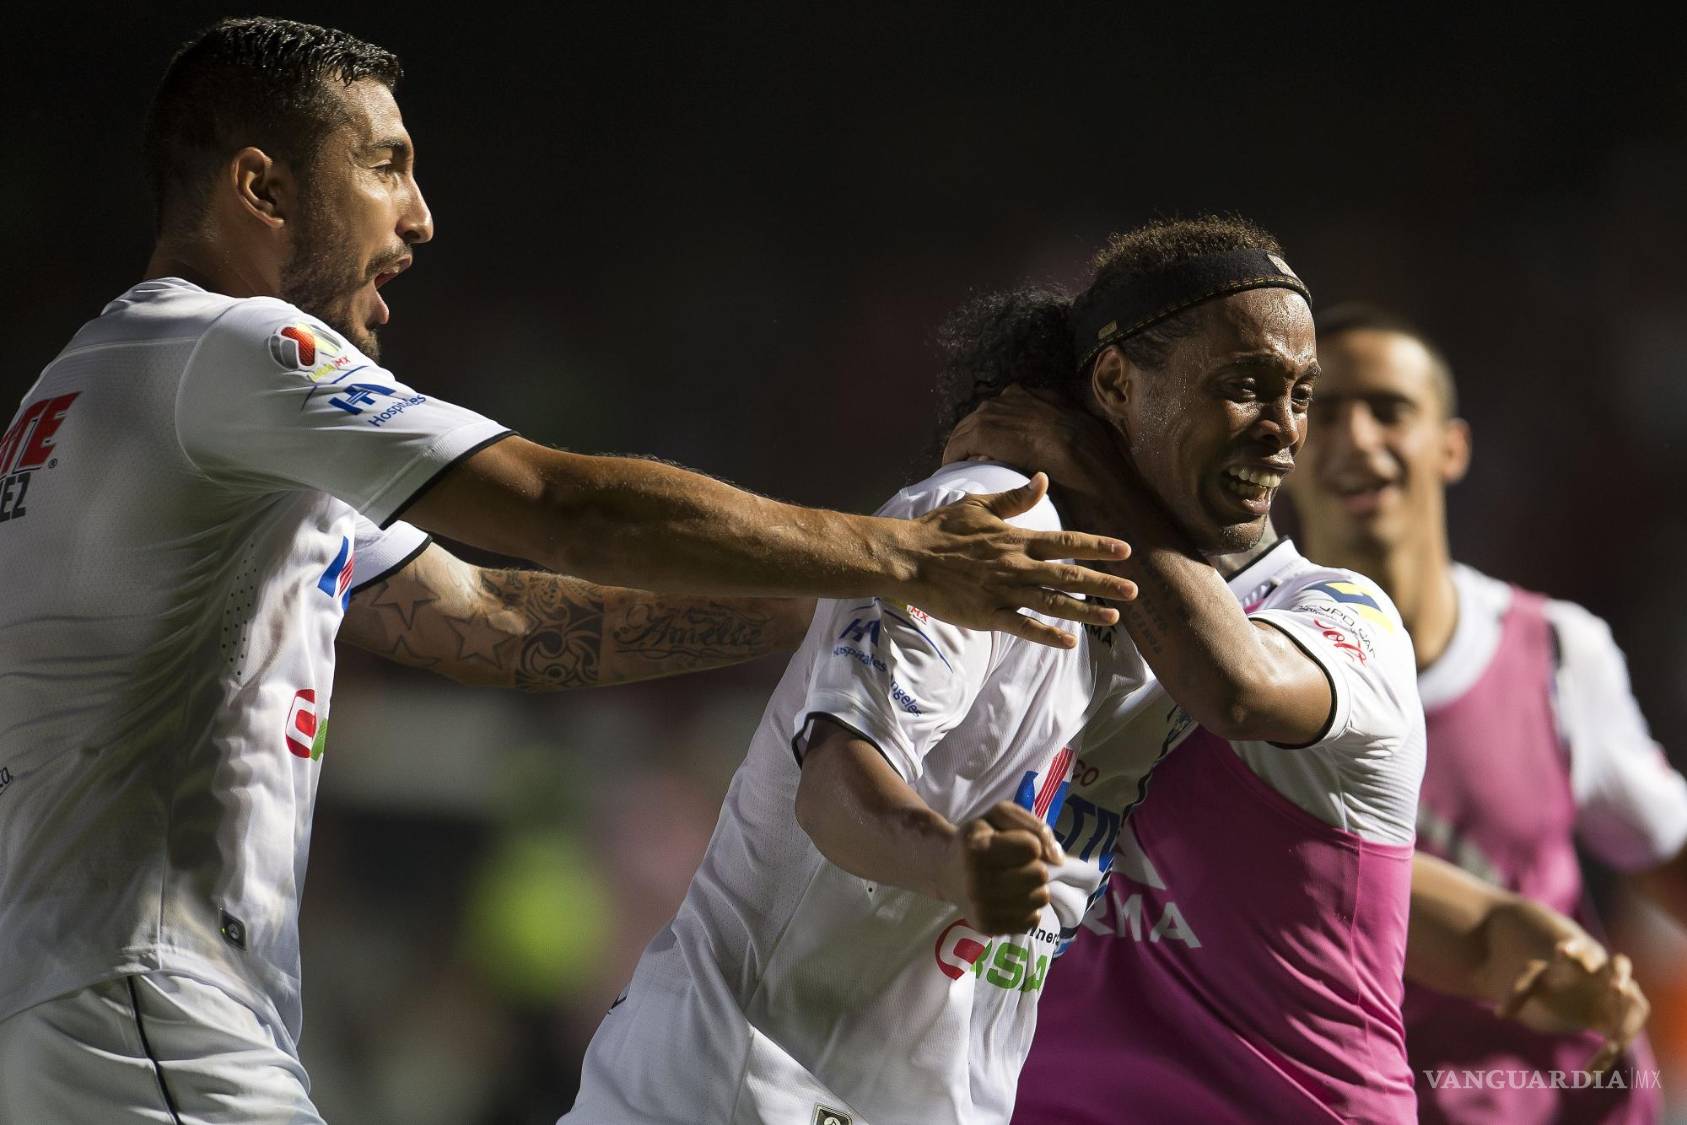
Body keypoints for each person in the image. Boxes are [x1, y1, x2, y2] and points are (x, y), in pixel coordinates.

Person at [0, 18, 1135, 1124]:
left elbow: (498, 618)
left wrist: (850, 611)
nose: (419, 216)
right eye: (385, 167)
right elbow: (563, 509)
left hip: (83, 994)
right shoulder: (228, 348)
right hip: (142, 991)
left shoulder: (110, 386)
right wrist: (904, 555)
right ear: (262, 188)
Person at [561, 215, 1414, 1124]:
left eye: (1300, 393)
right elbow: (835, 791)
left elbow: (1233, 683)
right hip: (732, 1087)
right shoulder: (986, 529)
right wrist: (955, 860)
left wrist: (1086, 459)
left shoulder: (1288, 612)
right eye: (1241, 387)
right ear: (1115, 383)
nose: (1284, 429)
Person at [1285, 304, 1687, 1122]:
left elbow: (1667, 854)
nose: (1355, 437)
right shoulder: (1248, 672)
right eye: (1322, 413)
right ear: (1284, 451)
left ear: (1451, 446)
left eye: (1388, 409)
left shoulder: (1555, 654)